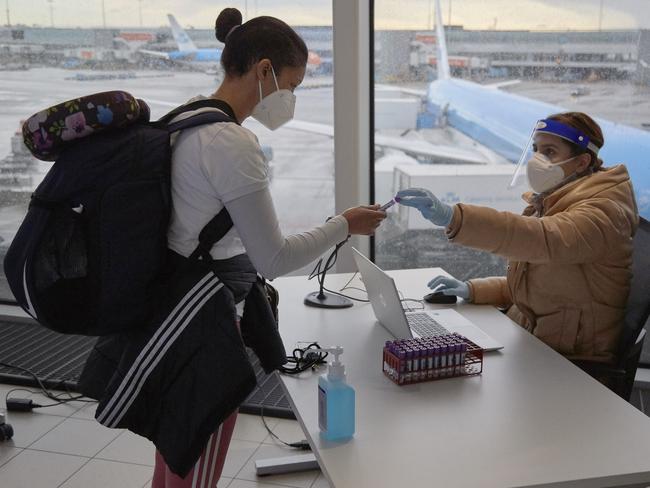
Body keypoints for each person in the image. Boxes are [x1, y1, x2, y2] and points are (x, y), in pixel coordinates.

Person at [79, 8, 386, 488]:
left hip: (167, 309)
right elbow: (275, 258)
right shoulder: (233, 144)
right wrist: (344, 224)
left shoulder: (186, 119)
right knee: (194, 468)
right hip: (202, 329)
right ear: (264, 71)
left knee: (174, 456)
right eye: (293, 84)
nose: (291, 99)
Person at [397, 112, 638, 366]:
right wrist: (471, 289)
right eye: (536, 149)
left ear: (581, 162)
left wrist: (454, 217)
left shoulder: (603, 213)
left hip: (572, 364)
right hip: (532, 342)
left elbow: (540, 239)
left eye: (550, 151)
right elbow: (533, 287)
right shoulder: (552, 201)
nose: (537, 160)